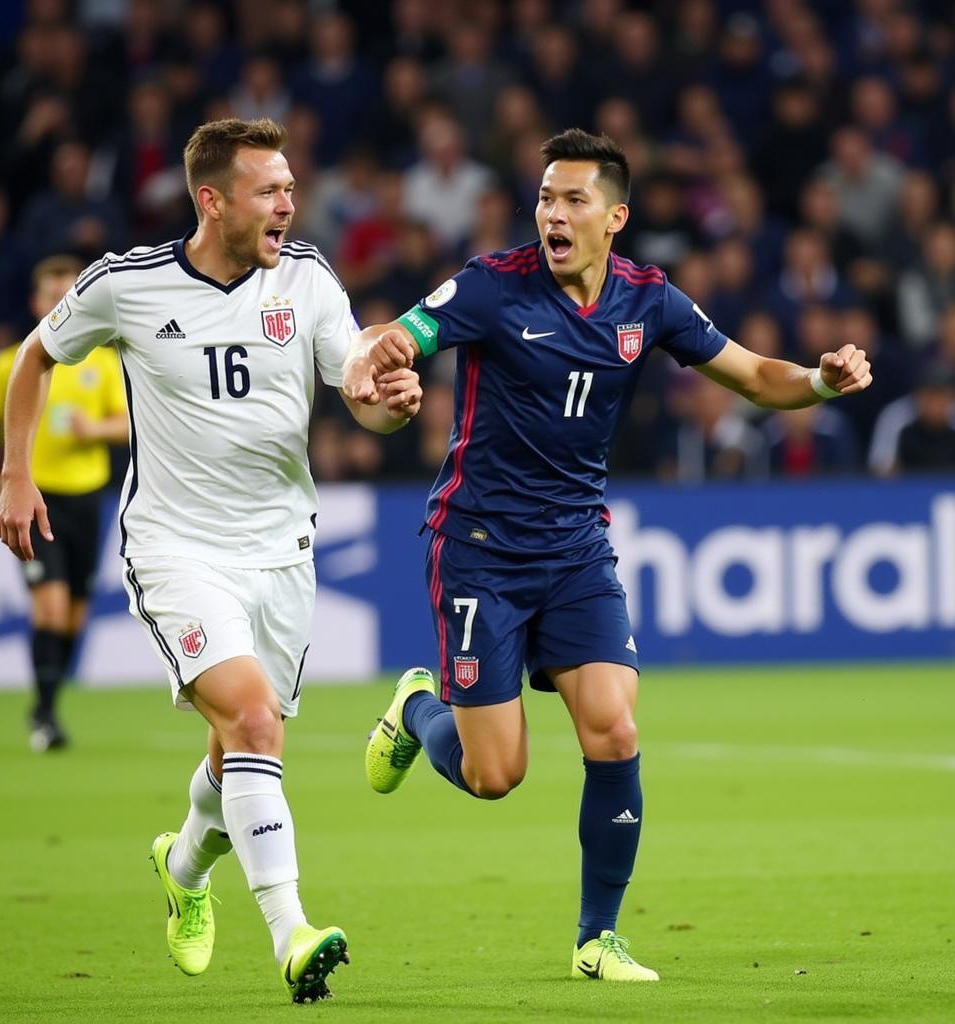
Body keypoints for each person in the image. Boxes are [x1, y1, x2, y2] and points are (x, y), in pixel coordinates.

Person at [344, 128, 872, 984]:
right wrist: (385, 357)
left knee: (615, 727)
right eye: (546, 198)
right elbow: (400, 332)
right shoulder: (490, 287)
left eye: (573, 199)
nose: (553, 213)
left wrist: (819, 379)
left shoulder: (650, 300)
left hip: (578, 547)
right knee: (494, 775)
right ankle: (415, 709)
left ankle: (599, 937)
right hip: (479, 548)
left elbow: (750, 374)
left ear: (615, 216)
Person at [0, 118, 422, 1003]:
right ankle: (291, 933)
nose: (290, 205)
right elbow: (35, 356)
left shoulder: (305, 278)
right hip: (176, 549)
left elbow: (357, 390)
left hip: (282, 553)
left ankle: (183, 869)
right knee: (256, 724)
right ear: (212, 200)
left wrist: (392, 400)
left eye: (292, 188)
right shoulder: (128, 285)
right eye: (271, 191)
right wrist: (14, 474)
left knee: (239, 750)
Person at [0, 255, 129, 751]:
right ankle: (43, 715)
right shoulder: (14, 361)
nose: (62, 302)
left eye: (69, 293)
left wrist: (93, 429)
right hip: (39, 498)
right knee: (51, 610)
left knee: (75, 616)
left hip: (87, 502)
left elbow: (126, 424)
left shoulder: (101, 364)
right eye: (53, 294)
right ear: (37, 303)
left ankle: (47, 706)